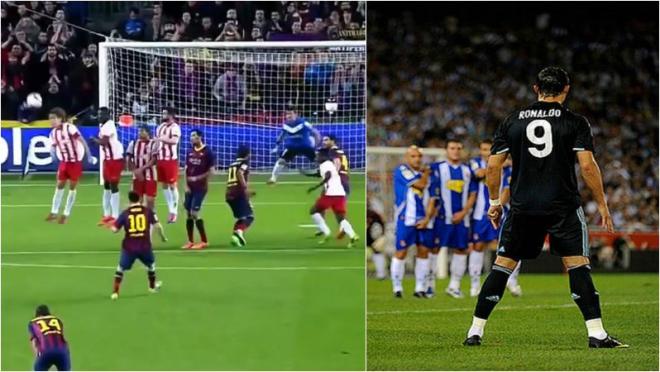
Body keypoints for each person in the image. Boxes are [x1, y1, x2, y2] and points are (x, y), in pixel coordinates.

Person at [463, 66, 627, 348]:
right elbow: (587, 166)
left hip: (523, 206)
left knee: (502, 266)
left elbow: (493, 165)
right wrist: (602, 203)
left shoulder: (512, 121)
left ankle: (474, 331)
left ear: (536, 89)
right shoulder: (575, 122)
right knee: (577, 265)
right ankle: (597, 334)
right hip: (562, 205)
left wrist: (493, 203)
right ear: (566, 89)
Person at [428, 139, 477, 298]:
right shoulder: (437, 168)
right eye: (452, 148)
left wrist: (463, 213)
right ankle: (429, 285)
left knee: (461, 249)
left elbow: (472, 194)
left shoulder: (468, 171)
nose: (455, 151)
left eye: (458, 148)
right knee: (434, 249)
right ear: (446, 150)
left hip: (462, 218)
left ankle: (454, 286)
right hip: (441, 218)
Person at [390, 146, 433, 298]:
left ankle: (420, 288)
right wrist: (427, 173)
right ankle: (397, 287)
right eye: (413, 156)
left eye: (419, 156)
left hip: (423, 218)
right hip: (405, 218)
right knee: (401, 252)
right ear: (407, 158)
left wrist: (427, 218)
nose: (417, 159)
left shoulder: (423, 175)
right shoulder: (402, 170)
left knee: (423, 251)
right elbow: (420, 185)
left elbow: (432, 198)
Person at [110, 191, 164, 300]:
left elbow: (114, 230)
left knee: (120, 268)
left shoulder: (125, 213)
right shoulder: (147, 211)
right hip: (145, 246)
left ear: (129, 200)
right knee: (151, 265)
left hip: (129, 247)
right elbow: (158, 226)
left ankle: (115, 293)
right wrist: (163, 237)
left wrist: (111, 225)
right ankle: (152, 287)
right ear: (139, 199)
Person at [46, 107, 93, 224]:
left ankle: (66, 214)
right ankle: (54, 212)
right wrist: (52, 155)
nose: (52, 121)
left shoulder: (70, 128)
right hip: (64, 162)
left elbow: (81, 140)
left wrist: (89, 155)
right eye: (50, 119)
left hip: (75, 162)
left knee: (72, 187)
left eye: (54, 118)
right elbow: (53, 146)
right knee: (59, 185)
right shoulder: (53, 133)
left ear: (60, 119)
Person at [307, 150, 359, 248]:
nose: (316, 158)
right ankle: (353, 235)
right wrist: (306, 173)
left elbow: (328, 175)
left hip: (331, 194)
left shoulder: (325, 164)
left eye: (318, 156)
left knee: (313, 211)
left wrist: (316, 186)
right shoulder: (329, 164)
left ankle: (326, 232)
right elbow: (319, 174)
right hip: (340, 194)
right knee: (340, 218)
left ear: (323, 157)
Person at [467, 139, 499, 297]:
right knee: (478, 246)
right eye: (484, 149)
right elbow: (479, 173)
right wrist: (496, 167)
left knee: (505, 246)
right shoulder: (474, 162)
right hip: (480, 213)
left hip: (500, 211)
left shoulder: (502, 161)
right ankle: (474, 284)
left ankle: (511, 282)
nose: (486, 153)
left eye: (489, 149)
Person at [125, 125, 167, 242]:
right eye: (139, 131)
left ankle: (150, 233)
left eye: (142, 130)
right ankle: (136, 232)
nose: (140, 132)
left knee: (149, 203)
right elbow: (129, 159)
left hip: (150, 176)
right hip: (137, 177)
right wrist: (135, 171)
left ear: (148, 132)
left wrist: (141, 169)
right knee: (135, 204)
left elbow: (154, 160)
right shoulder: (133, 143)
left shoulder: (154, 144)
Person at [268, 105, 320, 184]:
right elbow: (282, 135)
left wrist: (316, 146)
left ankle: (326, 175)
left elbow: (316, 133)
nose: (288, 116)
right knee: (281, 161)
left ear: (296, 114)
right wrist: (277, 145)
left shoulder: (304, 123)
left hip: (305, 146)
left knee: (319, 160)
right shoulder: (286, 125)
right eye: (286, 114)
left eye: (290, 114)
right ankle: (273, 178)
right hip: (291, 147)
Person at [91, 107, 124, 227]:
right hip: (108, 159)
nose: (99, 116)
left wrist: (94, 139)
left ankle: (115, 216)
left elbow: (104, 142)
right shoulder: (103, 125)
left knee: (113, 185)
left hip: (115, 159)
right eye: (98, 114)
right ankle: (107, 214)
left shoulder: (109, 125)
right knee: (106, 185)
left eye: (101, 114)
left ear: (108, 115)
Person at [182, 130, 215, 250]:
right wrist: (185, 185)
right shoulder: (189, 151)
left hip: (200, 188)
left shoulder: (207, 152)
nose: (192, 138)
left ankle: (204, 241)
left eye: (194, 136)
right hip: (189, 187)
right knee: (188, 214)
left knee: (194, 213)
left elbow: (212, 171)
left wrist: (198, 178)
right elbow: (185, 169)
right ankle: (190, 241)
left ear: (200, 137)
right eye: (191, 136)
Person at [226, 145, 255, 247]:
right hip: (239, 193)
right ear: (247, 154)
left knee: (241, 218)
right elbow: (240, 173)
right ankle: (238, 232)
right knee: (250, 216)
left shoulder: (232, 164)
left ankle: (236, 237)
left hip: (229, 194)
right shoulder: (244, 163)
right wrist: (246, 189)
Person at [156, 107, 181, 223]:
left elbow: (174, 141)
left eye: (165, 113)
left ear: (170, 115)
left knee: (172, 185)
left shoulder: (175, 127)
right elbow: (157, 141)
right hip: (160, 159)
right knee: (164, 185)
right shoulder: (160, 127)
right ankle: (170, 209)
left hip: (170, 160)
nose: (162, 115)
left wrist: (162, 139)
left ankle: (174, 211)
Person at [29, 305, 70, 371]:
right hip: (62, 351)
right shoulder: (58, 320)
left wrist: (38, 356)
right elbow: (64, 338)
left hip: (45, 352)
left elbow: (34, 342)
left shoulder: (33, 322)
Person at [367, 208, 387, 280]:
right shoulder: (370, 213)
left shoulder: (374, 214)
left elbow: (382, 223)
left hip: (374, 238)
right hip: (366, 236)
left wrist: (381, 236)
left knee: (377, 251)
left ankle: (381, 274)